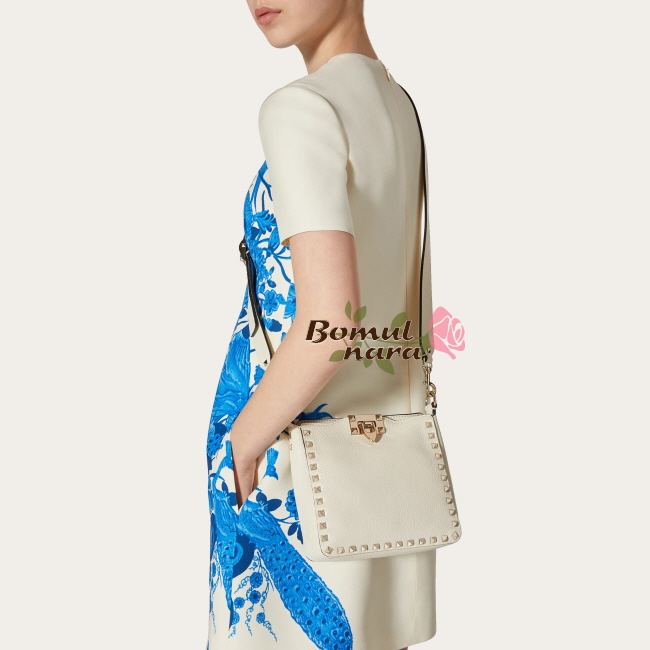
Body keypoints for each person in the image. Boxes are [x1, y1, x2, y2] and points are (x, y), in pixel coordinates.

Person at [206, 1, 436, 648]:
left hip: (290, 477)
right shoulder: (397, 105)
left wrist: (240, 444)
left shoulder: (302, 108)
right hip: (382, 475)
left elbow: (331, 319)